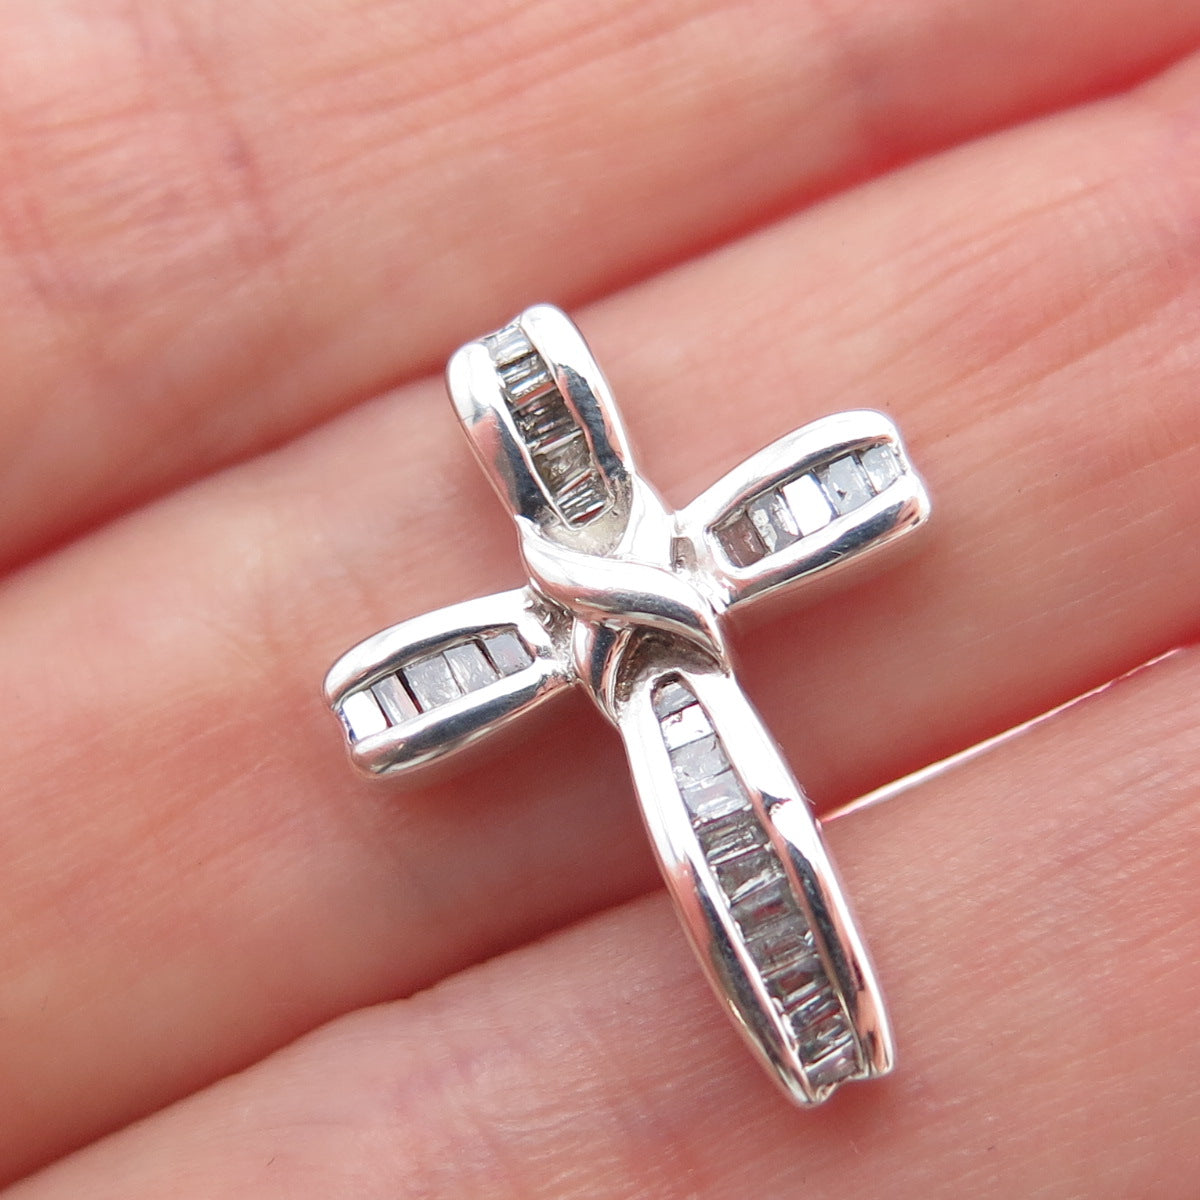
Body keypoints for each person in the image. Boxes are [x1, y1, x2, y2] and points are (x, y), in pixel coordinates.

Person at [1, 2, 1198, 1196]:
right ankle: (827, 1043)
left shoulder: (640, 575)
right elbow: (378, 713)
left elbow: (873, 474)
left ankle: (833, 1042)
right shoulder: (594, 598)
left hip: (645, 627)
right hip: (634, 637)